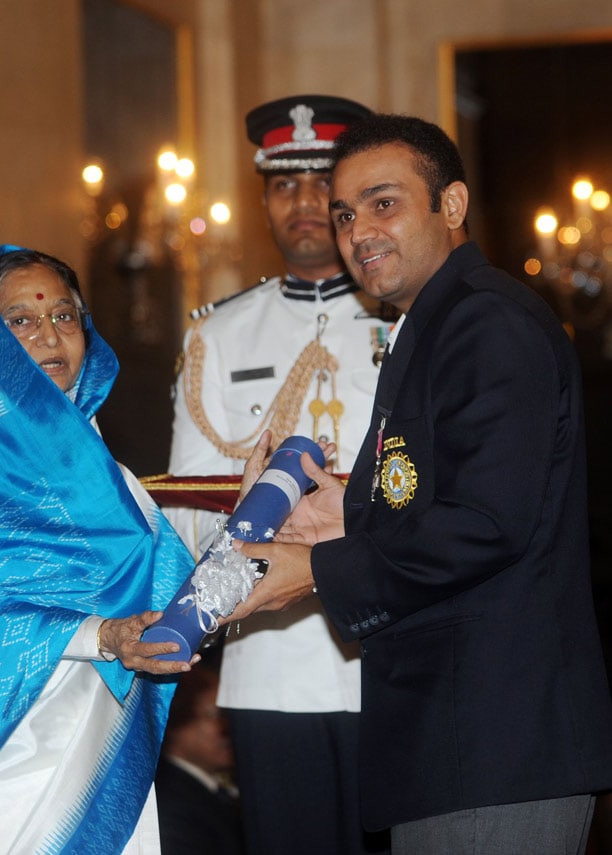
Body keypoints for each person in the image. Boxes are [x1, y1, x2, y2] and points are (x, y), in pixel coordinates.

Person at [227, 113, 612, 853]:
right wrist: (350, 518)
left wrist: (316, 568)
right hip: (460, 746)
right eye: (346, 213)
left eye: (384, 202)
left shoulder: (485, 324)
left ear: (453, 206)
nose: (358, 230)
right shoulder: (438, 324)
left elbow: (487, 523)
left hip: (495, 744)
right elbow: (452, 500)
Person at [0, 246, 198, 854]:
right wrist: (104, 637)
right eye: (21, 320)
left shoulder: (103, 470)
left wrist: (257, 516)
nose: (49, 335)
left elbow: (165, 579)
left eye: (65, 317)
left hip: (95, 729)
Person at [166, 94, 393, 854]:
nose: (301, 203)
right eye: (281, 184)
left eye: (318, 183)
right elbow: (189, 509)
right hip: (270, 666)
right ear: (262, 197)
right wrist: (258, 508)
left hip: (393, 655)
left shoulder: (411, 321)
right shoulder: (219, 335)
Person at [155, 660, 244, 855]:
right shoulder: (172, 808)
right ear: (176, 723)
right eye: (217, 714)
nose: (227, 726)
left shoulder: (210, 789)